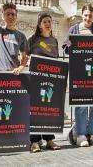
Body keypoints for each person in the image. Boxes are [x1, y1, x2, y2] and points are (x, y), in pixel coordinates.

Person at [63, 4, 93, 147]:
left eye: (90, 15)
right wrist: (70, 46)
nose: (88, 18)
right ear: (82, 15)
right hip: (79, 71)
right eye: (86, 15)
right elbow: (65, 47)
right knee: (80, 104)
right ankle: (80, 135)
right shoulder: (73, 29)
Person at [28, 11, 61, 153]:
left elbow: (57, 61)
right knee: (35, 111)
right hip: (35, 80)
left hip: (50, 80)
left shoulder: (54, 41)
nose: (48, 24)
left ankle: (49, 139)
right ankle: (34, 141)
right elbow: (25, 57)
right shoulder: (33, 40)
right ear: (39, 25)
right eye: (45, 22)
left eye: (49, 21)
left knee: (48, 110)